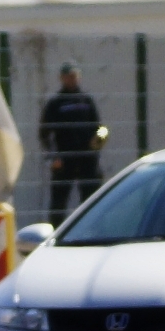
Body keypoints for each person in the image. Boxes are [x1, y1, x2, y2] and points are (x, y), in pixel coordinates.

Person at [39, 62, 108, 221]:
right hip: (64, 159)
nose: (72, 79)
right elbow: (44, 133)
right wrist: (54, 156)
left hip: (87, 158)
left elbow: (99, 127)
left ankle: (90, 228)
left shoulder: (86, 100)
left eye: (74, 76)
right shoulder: (55, 103)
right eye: (68, 76)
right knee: (59, 200)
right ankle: (57, 230)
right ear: (62, 78)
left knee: (91, 198)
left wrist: (99, 142)